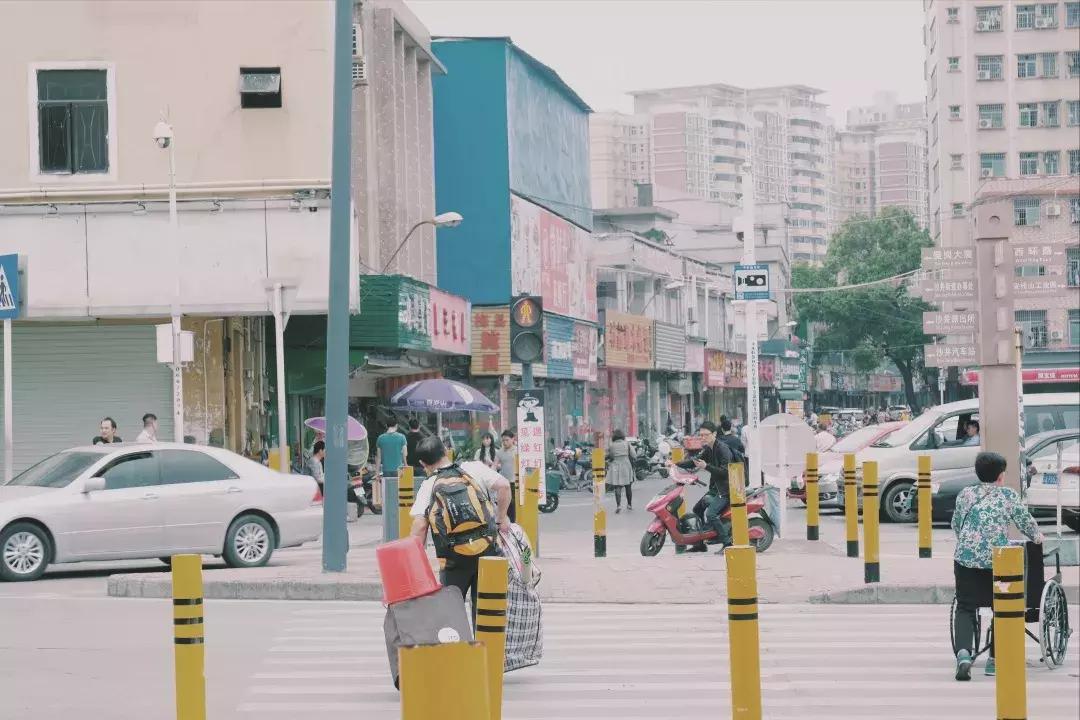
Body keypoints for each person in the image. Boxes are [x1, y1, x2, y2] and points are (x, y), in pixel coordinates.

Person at [951, 451, 1043, 681]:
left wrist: (969, 543)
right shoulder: (1007, 496)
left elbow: (956, 524)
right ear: (1001, 476)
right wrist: (1038, 538)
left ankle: (964, 655)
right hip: (998, 560)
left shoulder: (965, 494)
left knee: (965, 606)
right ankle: (994, 660)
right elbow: (1025, 523)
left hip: (965, 559)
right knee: (1002, 609)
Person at [410, 436, 511, 618]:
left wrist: (414, 565)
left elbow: (420, 526)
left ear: (422, 463)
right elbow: (504, 486)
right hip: (487, 551)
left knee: (450, 615)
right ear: (446, 450)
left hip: (453, 560)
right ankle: (487, 646)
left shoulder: (429, 484)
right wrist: (501, 519)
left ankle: (458, 645)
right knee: (487, 614)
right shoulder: (473, 468)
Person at [675, 420, 734, 553]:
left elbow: (726, 472)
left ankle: (727, 543)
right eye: (701, 435)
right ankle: (700, 544)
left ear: (714, 434)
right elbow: (694, 462)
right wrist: (675, 463)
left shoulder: (722, 449)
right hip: (716, 489)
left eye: (705, 435)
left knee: (711, 514)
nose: (703, 438)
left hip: (726, 489)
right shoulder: (709, 449)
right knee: (697, 509)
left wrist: (706, 466)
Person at [605, 429, 636, 513]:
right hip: (626, 465)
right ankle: (629, 505)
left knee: (617, 487)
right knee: (628, 486)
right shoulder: (627, 444)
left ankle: (618, 505)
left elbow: (610, 456)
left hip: (615, 466)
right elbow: (634, 455)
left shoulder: (612, 445)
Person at [494, 430, 518, 523]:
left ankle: (512, 523)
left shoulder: (517, 451)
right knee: (504, 503)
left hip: (514, 481)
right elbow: (495, 464)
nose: (505, 442)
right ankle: (505, 522)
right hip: (504, 482)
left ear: (513, 439)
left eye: (507, 440)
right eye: (503, 440)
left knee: (512, 504)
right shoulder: (500, 452)